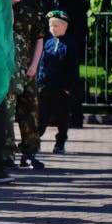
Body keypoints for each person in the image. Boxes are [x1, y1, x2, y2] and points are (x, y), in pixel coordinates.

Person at [42, 0, 87, 128]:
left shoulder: (74, 2)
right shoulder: (50, 2)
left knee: (71, 82)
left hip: (69, 48)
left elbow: (80, 28)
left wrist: (72, 45)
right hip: (54, 48)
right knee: (53, 81)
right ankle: (56, 116)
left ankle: (76, 117)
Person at [9, 0, 45, 169]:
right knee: (2, 115)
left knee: (30, 111)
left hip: (25, 72)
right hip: (3, 73)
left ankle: (29, 153)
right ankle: (2, 153)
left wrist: (34, 65)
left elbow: (40, 37)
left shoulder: (28, 13)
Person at [37, 10, 78, 154]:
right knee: (41, 115)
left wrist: (68, 86)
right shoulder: (48, 43)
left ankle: (60, 142)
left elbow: (72, 68)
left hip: (61, 88)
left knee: (62, 117)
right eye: (51, 26)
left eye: (56, 26)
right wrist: (40, 80)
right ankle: (36, 140)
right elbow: (42, 63)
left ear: (65, 26)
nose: (52, 29)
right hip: (47, 86)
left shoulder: (70, 45)